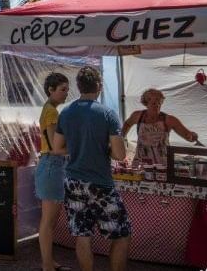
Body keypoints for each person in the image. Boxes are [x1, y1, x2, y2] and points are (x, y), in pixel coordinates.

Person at [53, 66, 130, 271]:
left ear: (78, 87)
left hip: (73, 181)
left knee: (82, 234)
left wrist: (79, 146)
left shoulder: (66, 112)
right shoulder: (107, 114)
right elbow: (120, 155)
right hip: (100, 183)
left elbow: (57, 147)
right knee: (121, 234)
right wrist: (101, 147)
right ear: (99, 86)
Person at [36, 72, 72, 271]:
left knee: (50, 220)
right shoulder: (51, 111)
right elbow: (54, 147)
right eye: (63, 90)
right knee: (48, 221)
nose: (66, 94)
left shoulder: (50, 110)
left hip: (52, 164)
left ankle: (49, 262)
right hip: (52, 164)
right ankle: (47, 264)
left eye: (67, 90)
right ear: (51, 90)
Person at [122, 88, 198, 167]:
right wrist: (121, 139)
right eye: (154, 103)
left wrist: (192, 136)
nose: (157, 106)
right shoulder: (137, 116)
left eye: (159, 103)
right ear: (146, 103)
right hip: (141, 162)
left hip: (162, 164)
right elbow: (127, 124)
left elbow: (187, 135)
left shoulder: (169, 119)